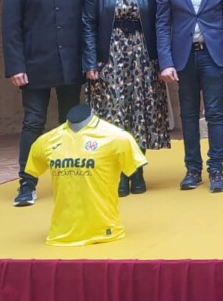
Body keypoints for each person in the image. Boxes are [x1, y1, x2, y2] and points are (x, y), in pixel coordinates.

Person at [1, 0, 91, 207]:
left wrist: (89, 63)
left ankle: (70, 179)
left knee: (70, 124)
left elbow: (88, 26)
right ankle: (27, 184)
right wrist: (15, 66)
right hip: (34, 67)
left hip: (71, 67)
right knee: (33, 123)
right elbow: (10, 29)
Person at [82, 0, 170, 197]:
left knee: (140, 115)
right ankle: (119, 173)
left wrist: (162, 62)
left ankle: (137, 170)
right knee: (114, 116)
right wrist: (90, 62)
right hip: (110, 59)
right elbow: (88, 25)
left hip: (143, 59)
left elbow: (161, 25)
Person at [156, 0, 223, 193]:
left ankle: (216, 169)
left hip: (212, 57)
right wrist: (165, 62)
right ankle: (192, 169)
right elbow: (162, 25)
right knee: (188, 115)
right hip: (183, 58)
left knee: (214, 113)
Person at [24, 105, 146, 246]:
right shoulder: (45, 141)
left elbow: (132, 167)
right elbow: (34, 170)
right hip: (59, 236)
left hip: (106, 234)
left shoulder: (118, 138)